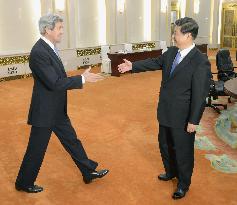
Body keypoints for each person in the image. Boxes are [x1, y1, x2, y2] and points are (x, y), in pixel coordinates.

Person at [118, 17, 211, 199]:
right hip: (166, 111)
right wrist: (133, 66)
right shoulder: (171, 53)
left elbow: (200, 95)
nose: (173, 36)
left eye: (176, 33)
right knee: (165, 145)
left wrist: (194, 120)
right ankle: (170, 172)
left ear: (188, 35)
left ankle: (183, 184)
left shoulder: (200, 61)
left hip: (183, 117)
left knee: (183, 151)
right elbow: (155, 62)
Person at [15, 14, 109, 193]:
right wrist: (82, 78)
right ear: (47, 30)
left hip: (56, 109)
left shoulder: (49, 48)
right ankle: (24, 183)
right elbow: (54, 82)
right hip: (45, 111)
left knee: (72, 141)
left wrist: (80, 78)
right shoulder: (39, 52)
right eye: (59, 28)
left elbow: (58, 78)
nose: (62, 32)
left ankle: (88, 171)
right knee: (36, 149)